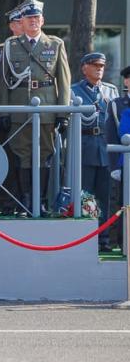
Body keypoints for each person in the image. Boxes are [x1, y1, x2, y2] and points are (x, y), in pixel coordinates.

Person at [0, 0, 70, 216]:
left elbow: (64, 80)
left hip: (46, 107)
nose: (33, 22)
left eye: (37, 18)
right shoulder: (11, 45)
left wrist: (62, 113)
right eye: (29, 18)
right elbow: (3, 82)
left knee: (45, 154)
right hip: (19, 107)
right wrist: (2, 112)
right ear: (23, 21)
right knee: (22, 154)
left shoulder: (55, 44)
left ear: (42, 20)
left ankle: (40, 201)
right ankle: (25, 201)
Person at [72, 53, 118, 251]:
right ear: (84, 68)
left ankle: (103, 238)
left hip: (106, 147)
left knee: (105, 195)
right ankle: (86, 236)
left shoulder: (111, 90)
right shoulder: (73, 91)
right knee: (86, 195)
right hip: (85, 145)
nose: (99, 68)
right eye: (95, 65)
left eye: (102, 65)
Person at [0, 7, 25, 215]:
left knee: (32, 158)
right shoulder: (2, 50)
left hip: (32, 113)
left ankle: (27, 200)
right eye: (18, 22)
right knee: (10, 158)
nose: (22, 25)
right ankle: (7, 201)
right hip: (10, 112)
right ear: (12, 26)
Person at [105, 65, 130, 253]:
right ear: (126, 81)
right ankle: (122, 243)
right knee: (123, 203)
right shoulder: (117, 104)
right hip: (125, 165)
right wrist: (114, 165)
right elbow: (111, 136)